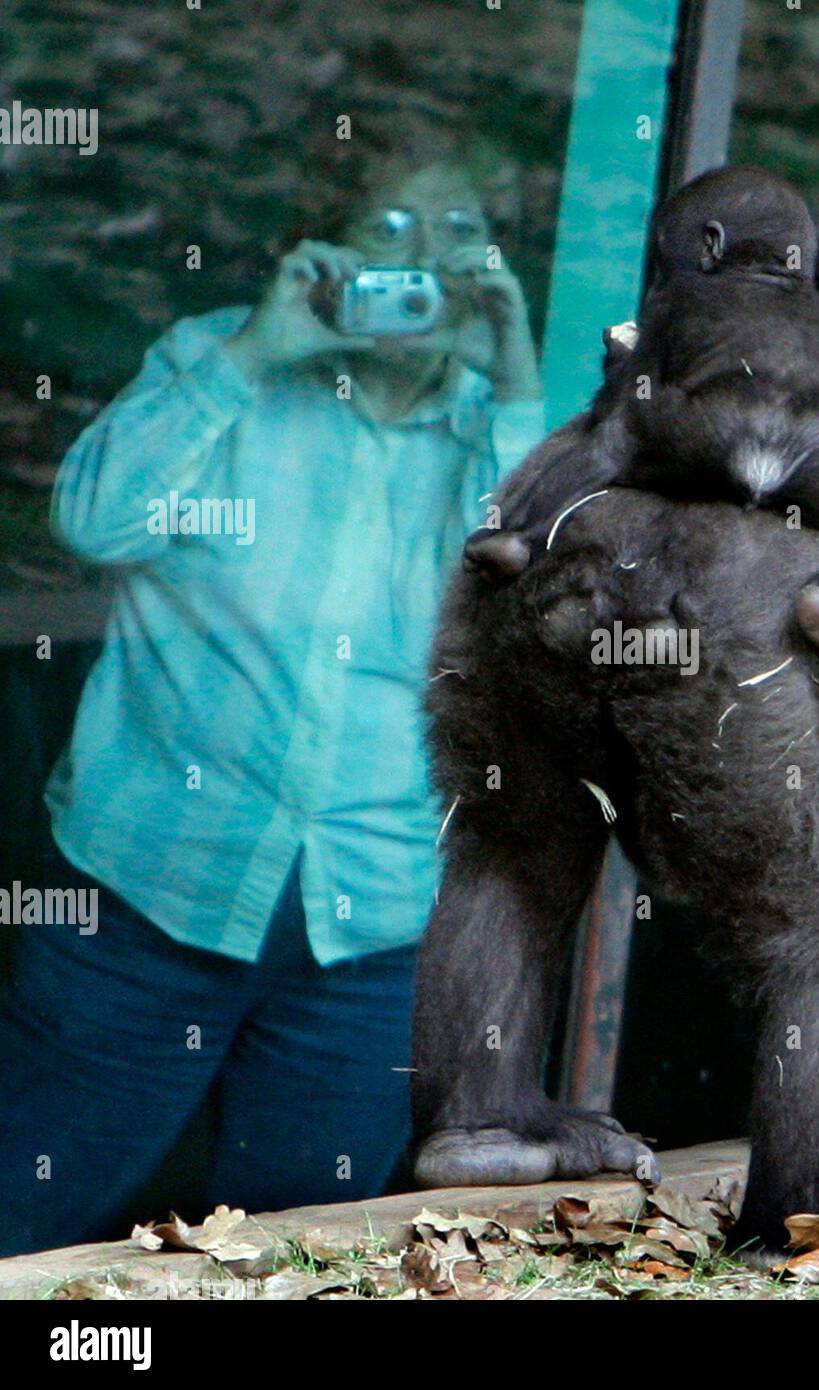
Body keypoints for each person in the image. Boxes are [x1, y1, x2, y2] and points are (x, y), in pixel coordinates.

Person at [0, 147, 545, 1256]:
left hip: (373, 942)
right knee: (28, 1224)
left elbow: (542, 628)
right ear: (326, 250)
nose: (422, 260)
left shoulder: (504, 429)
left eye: (453, 231)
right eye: (387, 230)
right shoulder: (216, 361)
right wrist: (256, 350)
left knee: (309, 1252)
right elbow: (94, 522)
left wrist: (520, 389)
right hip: (144, 903)